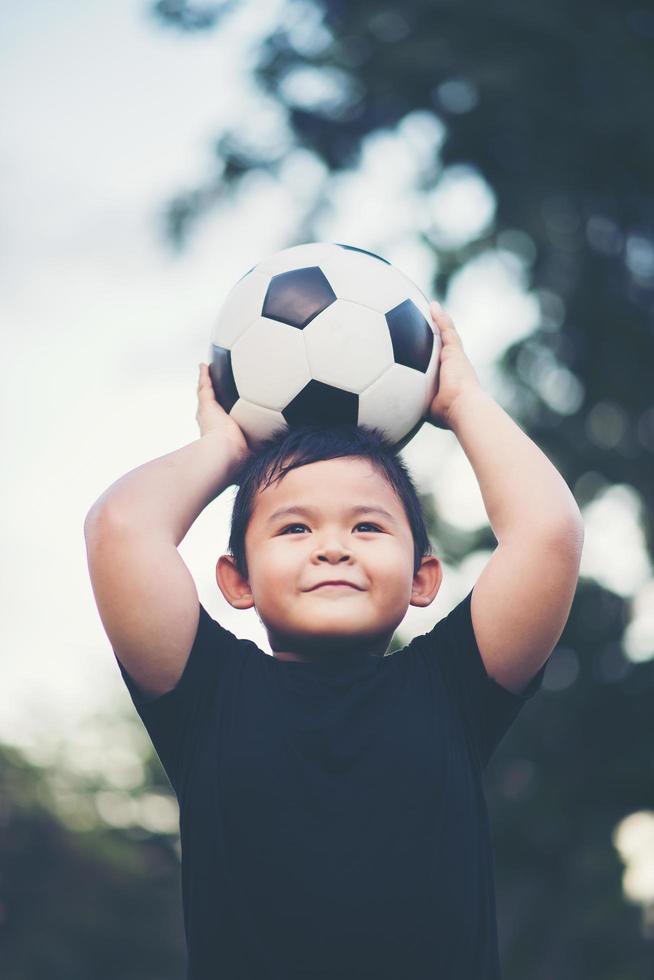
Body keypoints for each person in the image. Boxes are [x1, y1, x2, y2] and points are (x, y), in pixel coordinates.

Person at [83, 301, 584, 979]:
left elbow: (547, 533)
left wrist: (464, 401)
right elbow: (121, 530)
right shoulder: (204, 693)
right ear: (237, 580)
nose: (332, 549)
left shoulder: (455, 687)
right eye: (294, 529)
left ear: (422, 577)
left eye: (367, 528)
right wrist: (226, 451)